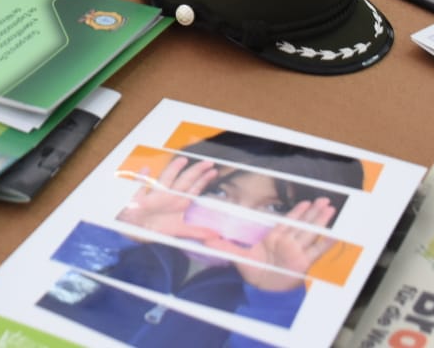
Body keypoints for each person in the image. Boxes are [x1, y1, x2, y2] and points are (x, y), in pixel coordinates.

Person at [42, 134, 364, 345]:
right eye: (219, 192)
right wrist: (114, 235)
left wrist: (274, 298)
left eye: (276, 208)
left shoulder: (281, 299)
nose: (234, 219)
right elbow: (44, 288)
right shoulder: (127, 245)